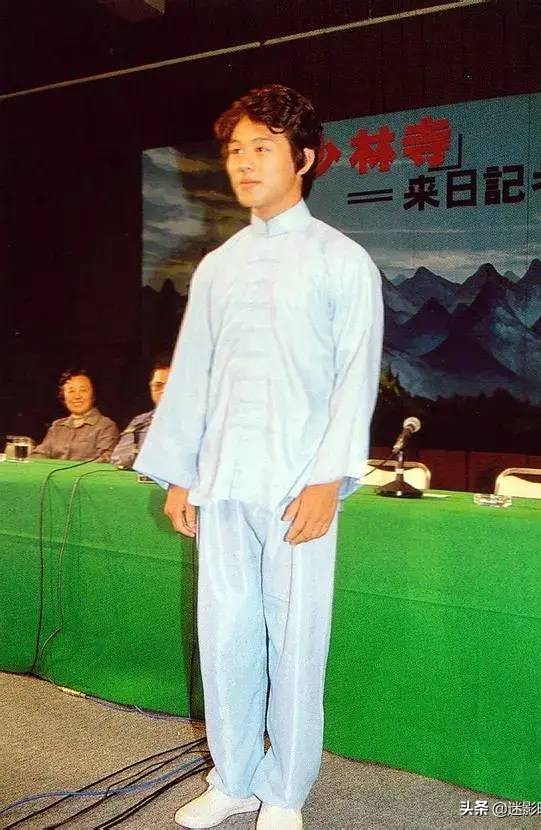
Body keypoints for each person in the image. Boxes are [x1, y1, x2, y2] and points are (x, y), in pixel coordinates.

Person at [135, 84, 383, 830]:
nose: (244, 163)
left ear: (303, 159)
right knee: (226, 635)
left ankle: (285, 791)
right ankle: (234, 777)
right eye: (235, 150)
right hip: (224, 482)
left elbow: (355, 377)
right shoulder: (218, 266)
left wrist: (328, 479)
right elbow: (194, 376)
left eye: (262, 148)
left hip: (298, 486)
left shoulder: (341, 261)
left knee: (296, 639)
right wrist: (180, 473)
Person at [32, 369, 119, 462]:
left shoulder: (106, 426)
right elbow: (41, 454)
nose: (77, 396)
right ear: (63, 397)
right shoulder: (57, 426)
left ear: (93, 395)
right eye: (71, 391)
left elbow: (105, 459)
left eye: (83, 390)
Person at [110, 361, 170, 468]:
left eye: (170, 385)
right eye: (158, 386)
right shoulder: (140, 422)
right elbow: (118, 458)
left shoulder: (195, 423)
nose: (163, 391)